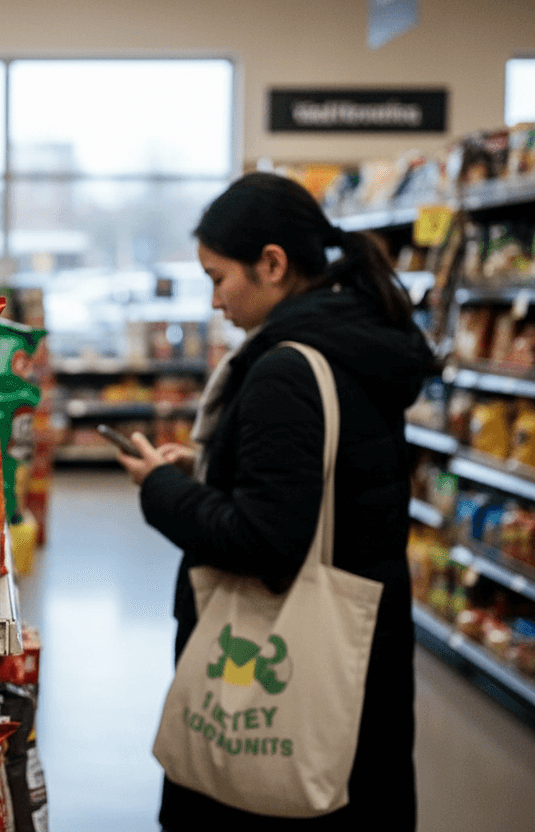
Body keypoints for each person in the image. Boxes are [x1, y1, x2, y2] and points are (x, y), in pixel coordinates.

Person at [116, 171, 435, 830]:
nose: (213, 301)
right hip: (354, 667)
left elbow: (265, 541)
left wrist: (161, 488)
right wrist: (211, 467)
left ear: (272, 264)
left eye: (217, 277)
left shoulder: (287, 367)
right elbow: (328, 485)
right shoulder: (356, 345)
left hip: (281, 671)